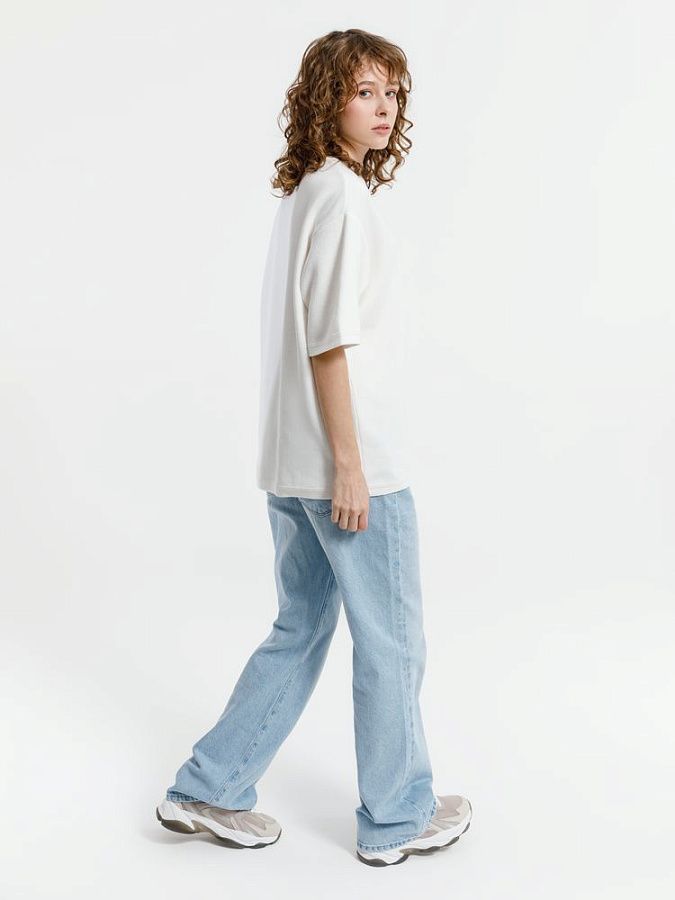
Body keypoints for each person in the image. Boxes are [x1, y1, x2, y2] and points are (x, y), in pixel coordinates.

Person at [156, 28, 472, 867]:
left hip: (293, 464)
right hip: (347, 468)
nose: (383, 107)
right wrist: (351, 468)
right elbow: (328, 343)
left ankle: (208, 786)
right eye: (364, 91)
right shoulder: (338, 199)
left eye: (391, 93)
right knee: (392, 640)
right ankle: (397, 817)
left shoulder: (306, 194)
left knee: (300, 627)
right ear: (326, 100)